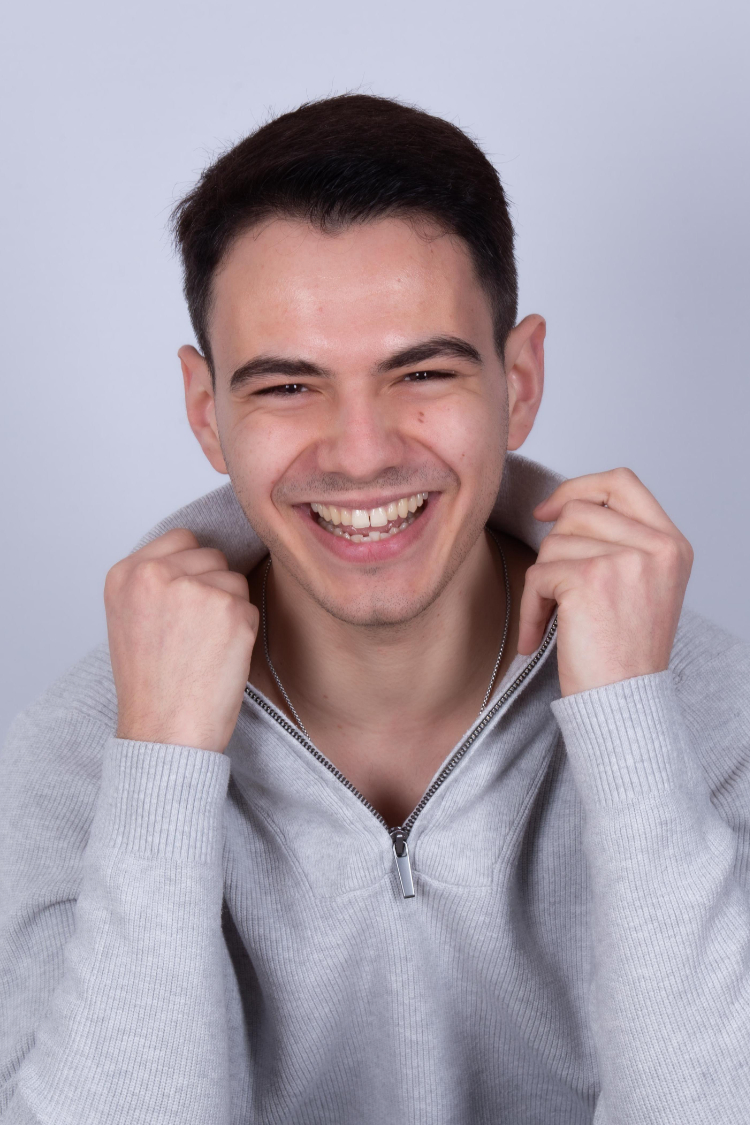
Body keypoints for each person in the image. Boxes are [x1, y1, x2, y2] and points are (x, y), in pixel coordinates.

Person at [1, 94, 748, 1125]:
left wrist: (629, 724)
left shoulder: (719, 727)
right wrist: (162, 764)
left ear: (518, 380)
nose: (362, 452)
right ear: (203, 411)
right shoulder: (71, 758)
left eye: (422, 372)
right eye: (287, 387)